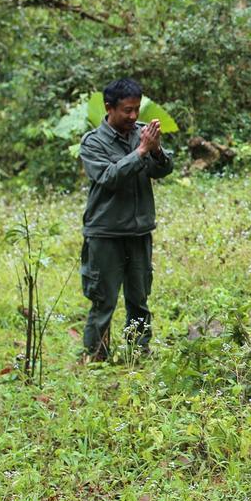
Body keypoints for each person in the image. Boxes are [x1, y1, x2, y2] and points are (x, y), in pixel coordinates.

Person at [78, 77, 173, 361]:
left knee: (138, 298)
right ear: (109, 108)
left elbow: (163, 170)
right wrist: (141, 151)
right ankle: (96, 357)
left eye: (136, 110)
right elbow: (108, 177)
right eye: (127, 111)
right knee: (103, 300)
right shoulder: (93, 143)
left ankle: (138, 353)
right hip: (105, 233)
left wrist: (155, 150)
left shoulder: (142, 133)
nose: (133, 116)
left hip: (139, 231)